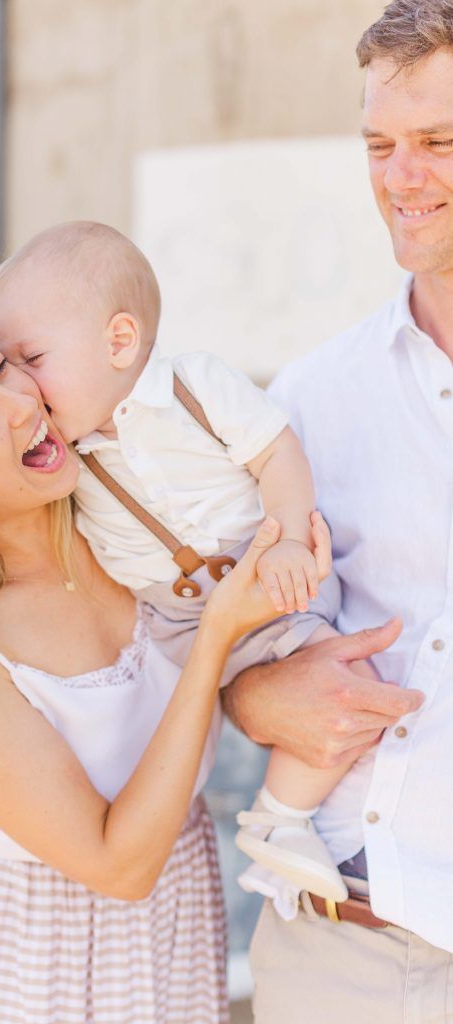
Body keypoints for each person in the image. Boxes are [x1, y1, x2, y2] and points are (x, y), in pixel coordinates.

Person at [0, 302, 332, 1023]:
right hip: (33, 970)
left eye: (1, 366)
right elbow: (118, 867)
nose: (23, 402)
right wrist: (217, 634)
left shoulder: (125, 516)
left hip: (175, 930)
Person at [0, 220, 377, 904]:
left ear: (119, 341)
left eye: (33, 358)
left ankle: (278, 820)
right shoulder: (64, 453)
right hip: (176, 626)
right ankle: (270, 826)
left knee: (347, 681)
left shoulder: (197, 387)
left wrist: (288, 537)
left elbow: (276, 453)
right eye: (4, 365)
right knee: (188, 733)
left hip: (266, 586)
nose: (22, 388)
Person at [221, 1, 453, 1019]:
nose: (401, 178)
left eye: (437, 143)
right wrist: (258, 697)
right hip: (340, 954)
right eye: (378, 146)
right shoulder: (308, 403)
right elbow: (237, 651)